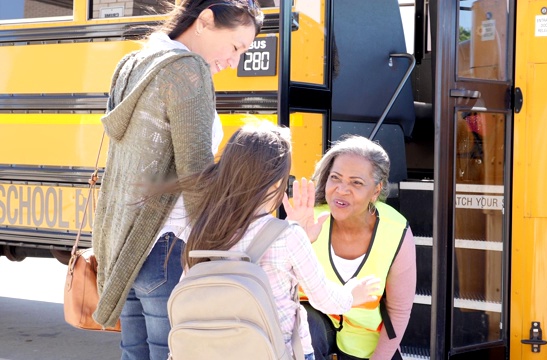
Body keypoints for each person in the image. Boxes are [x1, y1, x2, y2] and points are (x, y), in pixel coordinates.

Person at [91, 1, 264, 359]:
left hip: (123, 245)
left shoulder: (135, 62)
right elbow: (196, 172)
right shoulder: (188, 70)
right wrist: (218, 249)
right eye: (235, 47)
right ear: (205, 21)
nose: (234, 62)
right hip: (167, 247)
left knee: (134, 354)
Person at [173, 122, 381, 360]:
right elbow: (325, 299)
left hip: (214, 352)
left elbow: (188, 291)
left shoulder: (203, 229)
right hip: (275, 352)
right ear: (274, 184)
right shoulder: (288, 235)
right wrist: (352, 294)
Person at [283, 135, 417, 360]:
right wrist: (296, 238)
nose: (341, 189)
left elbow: (398, 312)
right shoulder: (309, 220)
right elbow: (278, 289)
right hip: (313, 332)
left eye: (356, 182)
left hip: (366, 342)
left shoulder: (396, 230)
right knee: (308, 323)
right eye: (335, 178)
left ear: (376, 191)